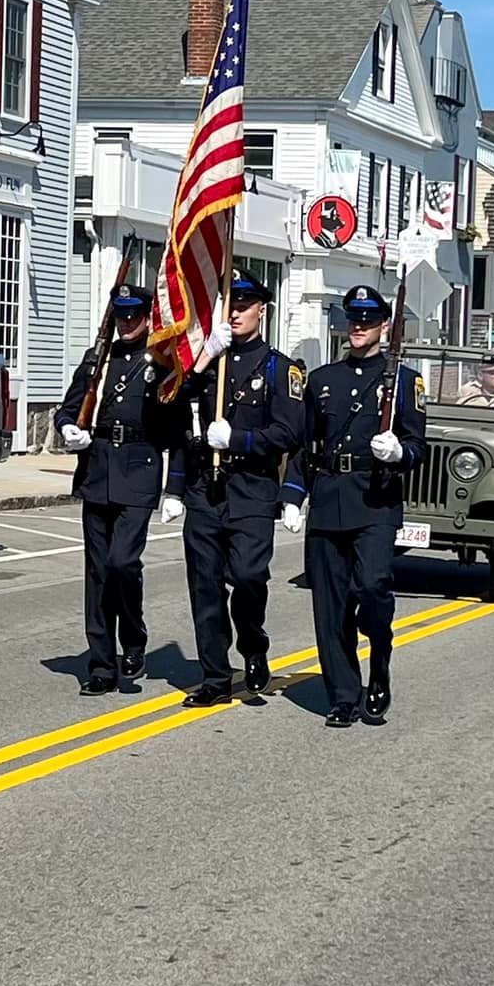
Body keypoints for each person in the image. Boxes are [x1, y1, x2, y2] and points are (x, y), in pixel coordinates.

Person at [164, 272, 306, 708]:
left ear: (263, 309)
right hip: (206, 490)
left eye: (246, 305)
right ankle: (214, 677)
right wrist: (206, 356)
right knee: (204, 586)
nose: (238, 312)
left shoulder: (280, 368)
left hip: (252, 489)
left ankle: (253, 641)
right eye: (232, 306)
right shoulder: (211, 365)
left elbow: (289, 432)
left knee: (247, 578)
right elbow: (171, 404)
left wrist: (241, 441)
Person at [294, 284, 427, 728]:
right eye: (353, 318)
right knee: (329, 606)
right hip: (329, 497)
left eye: (368, 320)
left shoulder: (405, 382)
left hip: (375, 500)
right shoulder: (322, 380)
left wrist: (398, 453)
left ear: (384, 327)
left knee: (371, 588)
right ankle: (344, 694)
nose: (358, 326)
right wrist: (293, 495)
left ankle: (380, 663)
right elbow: (304, 445)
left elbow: (417, 446)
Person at [54, 285, 184, 696]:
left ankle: (133, 636)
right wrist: (68, 429)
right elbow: (67, 408)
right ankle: (101, 665)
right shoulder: (98, 359)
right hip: (97, 470)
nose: (127, 321)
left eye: (134, 314)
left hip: (140, 466)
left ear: (148, 316)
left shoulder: (160, 360)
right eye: (121, 314)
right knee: (97, 572)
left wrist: (175, 488)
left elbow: (175, 421)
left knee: (122, 563)